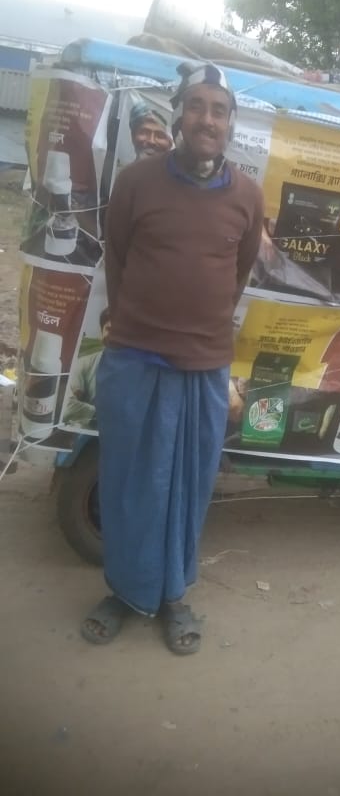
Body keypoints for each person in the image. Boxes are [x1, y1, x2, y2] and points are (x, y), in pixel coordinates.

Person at [81, 62, 264, 654]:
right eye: (197, 106)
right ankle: (123, 591)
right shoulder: (136, 181)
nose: (207, 119)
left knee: (187, 486)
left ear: (230, 123)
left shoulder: (247, 196)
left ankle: (173, 596)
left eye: (219, 110)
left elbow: (237, 275)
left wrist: (201, 328)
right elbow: (117, 258)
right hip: (134, 359)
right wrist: (136, 322)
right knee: (129, 482)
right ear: (179, 115)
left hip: (203, 367)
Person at [61, 309, 111, 430]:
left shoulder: (138, 371)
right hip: (86, 432)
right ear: (101, 332)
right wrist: (98, 416)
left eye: (120, 332)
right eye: (109, 329)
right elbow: (67, 405)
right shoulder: (84, 363)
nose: (113, 336)